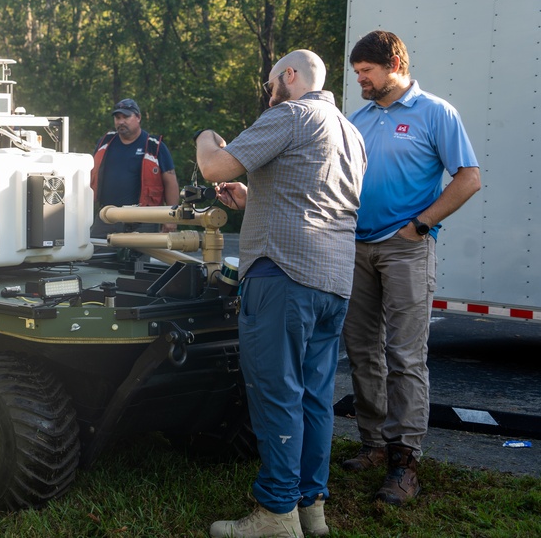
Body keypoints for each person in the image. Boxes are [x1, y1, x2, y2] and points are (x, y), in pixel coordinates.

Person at [196, 50, 367, 538]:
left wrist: (205, 138)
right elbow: (317, 196)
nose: (269, 90)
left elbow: (213, 166)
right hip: (332, 280)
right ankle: (311, 507)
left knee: (276, 394)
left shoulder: (291, 114)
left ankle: (275, 514)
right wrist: (254, 198)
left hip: (283, 276)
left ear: (289, 76)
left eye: (272, 81)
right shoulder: (350, 131)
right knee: (314, 397)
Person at [341, 30, 480, 505]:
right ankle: (375, 445)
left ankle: (406, 462)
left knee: (405, 357)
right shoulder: (357, 120)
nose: (360, 79)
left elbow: (469, 178)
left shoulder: (435, 113)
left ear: (394, 63)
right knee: (362, 352)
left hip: (405, 250)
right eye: (357, 72)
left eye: (367, 72)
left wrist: (420, 225)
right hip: (356, 249)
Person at [89, 98, 180, 237]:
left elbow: (171, 183)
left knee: (138, 259)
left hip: (143, 219)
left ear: (138, 117)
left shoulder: (154, 146)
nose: (121, 122)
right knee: (95, 256)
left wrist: (171, 217)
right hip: (107, 216)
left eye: (126, 117)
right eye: (117, 118)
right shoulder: (105, 142)